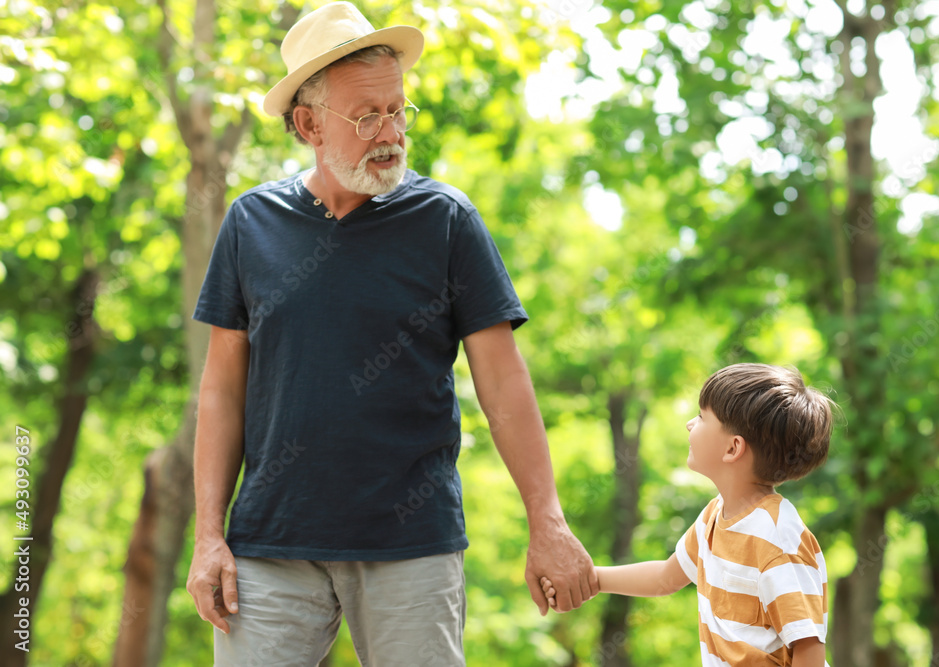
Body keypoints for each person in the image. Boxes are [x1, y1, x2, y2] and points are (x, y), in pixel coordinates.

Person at [184, 3, 596, 665]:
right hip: (269, 545)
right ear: (309, 124)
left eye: (399, 110)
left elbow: (504, 383)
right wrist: (208, 537)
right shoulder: (249, 223)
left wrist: (547, 522)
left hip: (413, 546)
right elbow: (221, 390)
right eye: (367, 114)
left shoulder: (447, 220)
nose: (391, 132)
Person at [543, 363, 833, 666]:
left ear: (733, 448)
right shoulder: (715, 516)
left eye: (701, 417)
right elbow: (664, 578)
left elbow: (808, 648)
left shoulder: (778, 540)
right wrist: (589, 579)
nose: (689, 424)